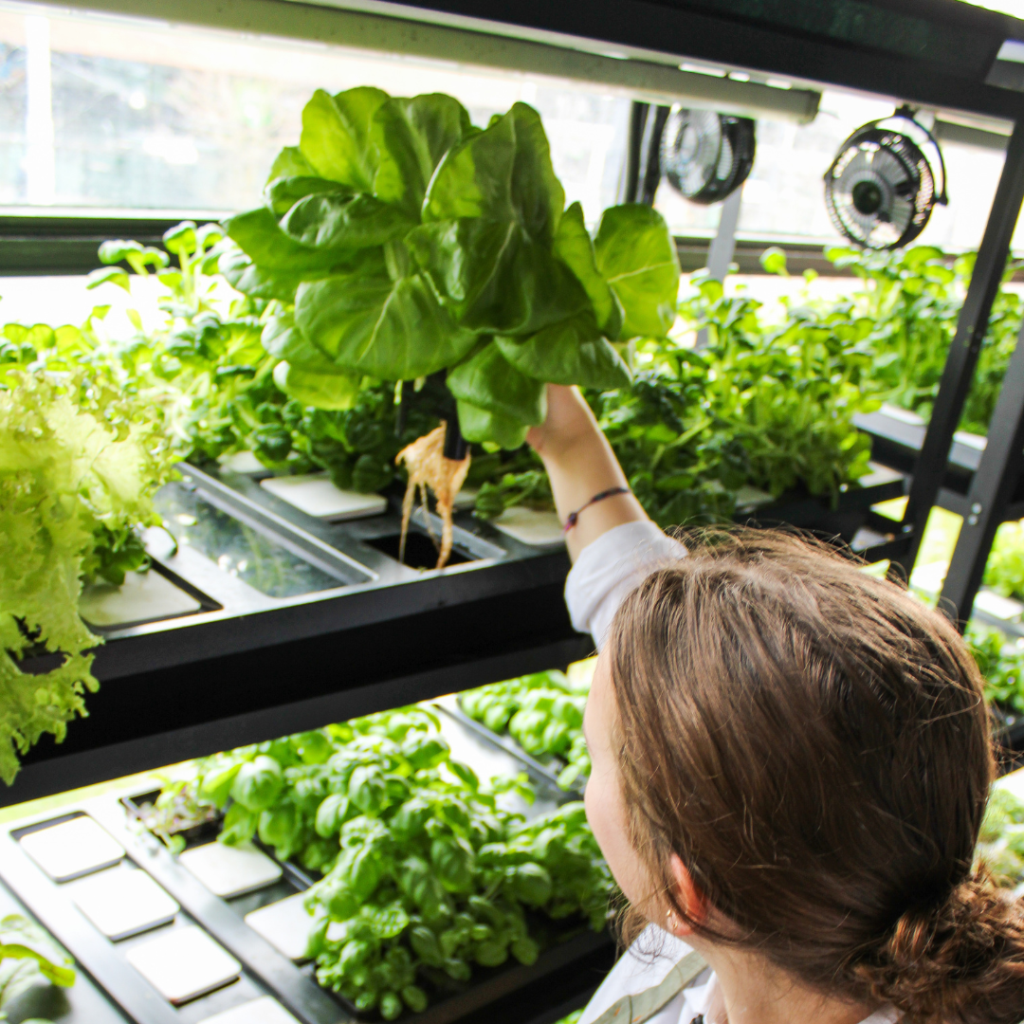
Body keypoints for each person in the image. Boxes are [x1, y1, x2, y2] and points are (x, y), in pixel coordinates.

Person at [526, 384, 1024, 1024]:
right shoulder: (780, 916)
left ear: (686, 894)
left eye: (597, 755)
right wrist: (567, 439)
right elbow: (636, 609)